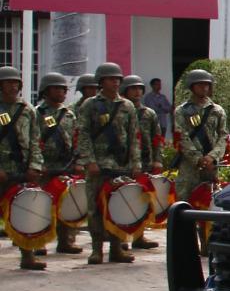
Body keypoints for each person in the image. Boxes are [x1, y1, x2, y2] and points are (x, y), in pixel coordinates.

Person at [77, 62, 141, 265]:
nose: (115, 82)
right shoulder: (90, 105)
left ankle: (116, 248)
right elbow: (83, 135)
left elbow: (134, 136)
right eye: (111, 79)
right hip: (98, 165)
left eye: (118, 79)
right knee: (95, 208)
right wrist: (89, 161)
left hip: (120, 165)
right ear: (101, 81)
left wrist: (136, 162)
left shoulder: (127, 106)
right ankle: (97, 249)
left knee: (118, 206)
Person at [0, 65, 46, 270]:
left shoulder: (27, 110)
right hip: (2, 169)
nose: (13, 86)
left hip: (22, 169)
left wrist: (35, 166)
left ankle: (27, 255)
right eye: (8, 82)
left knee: (24, 211)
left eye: (16, 82)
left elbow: (35, 140)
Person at [35, 72, 79, 256]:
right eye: (57, 88)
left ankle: (65, 240)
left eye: (63, 89)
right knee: (41, 205)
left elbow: (76, 139)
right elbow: (32, 140)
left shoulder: (69, 114)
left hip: (65, 165)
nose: (61, 92)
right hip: (44, 166)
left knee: (66, 205)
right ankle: (39, 242)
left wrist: (77, 162)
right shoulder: (37, 113)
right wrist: (37, 164)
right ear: (46, 91)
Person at [173, 69, 226, 221]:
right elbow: (181, 137)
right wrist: (198, 159)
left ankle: (206, 236)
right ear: (192, 86)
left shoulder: (217, 110)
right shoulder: (182, 111)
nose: (204, 88)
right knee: (184, 204)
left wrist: (212, 157)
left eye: (207, 85)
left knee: (209, 205)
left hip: (211, 166)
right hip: (189, 166)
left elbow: (223, 136)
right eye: (200, 84)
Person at [120, 74, 162, 250]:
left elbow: (156, 138)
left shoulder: (148, 113)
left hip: (145, 161)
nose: (137, 92)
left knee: (142, 200)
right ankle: (121, 238)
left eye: (139, 88)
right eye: (133, 89)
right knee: (123, 200)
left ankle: (139, 236)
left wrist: (157, 160)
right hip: (123, 162)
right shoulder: (120, 111)